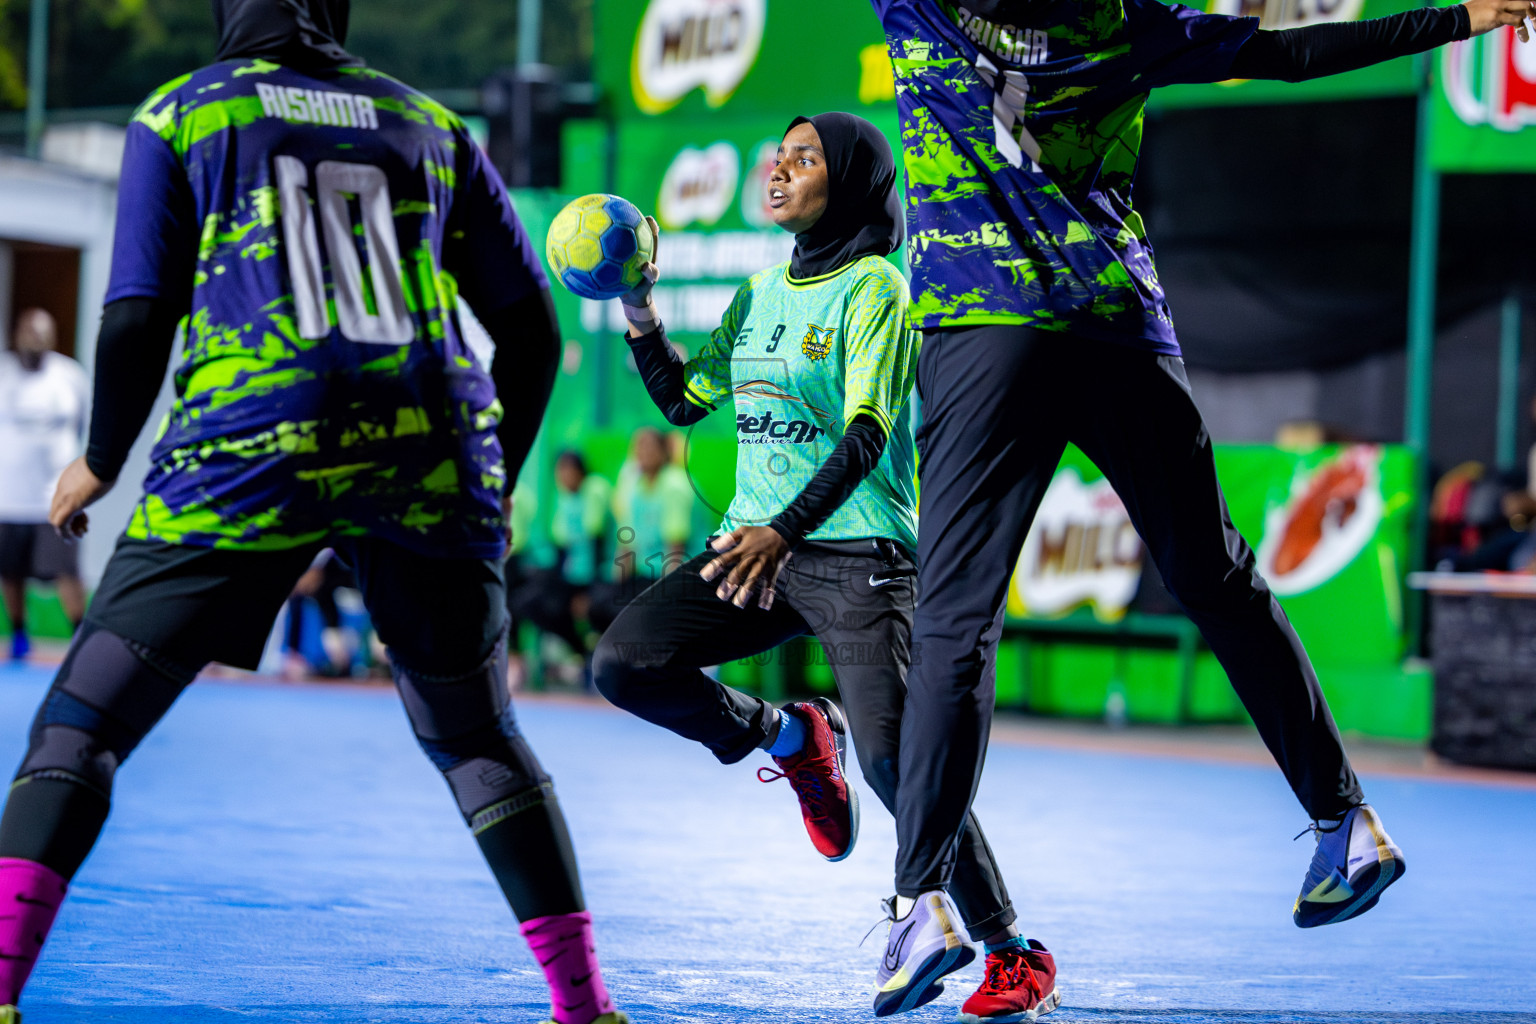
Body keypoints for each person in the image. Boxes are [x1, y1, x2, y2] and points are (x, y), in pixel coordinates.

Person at [861, 0, 1536, 1014]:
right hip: (1120, 329)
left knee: (957, 621)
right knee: (1219, 579)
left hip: (986, 331)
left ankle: (921, 904)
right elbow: (1296, 54)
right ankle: (1347, 823)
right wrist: (1465, 14)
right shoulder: (1127, 20)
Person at [0, 3, 627, 1023]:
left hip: (254, 442)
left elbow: (136, 313)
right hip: (434, 441)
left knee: (80, 725)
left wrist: (102, 457)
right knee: (476, 739)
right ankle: (588, 1006)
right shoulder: (430, 122)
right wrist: (492, 483)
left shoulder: (184, 114)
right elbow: (530, 330)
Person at [591, 111, 1036, 1021]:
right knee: (623, 664)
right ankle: (792, 738)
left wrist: (784, 532)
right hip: (760, 547)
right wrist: (638, 308)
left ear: (855, 182)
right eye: (779, 155)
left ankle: (1012, 953)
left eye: (806, 158)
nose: (781, 169)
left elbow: (869, 434)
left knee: (898, 760)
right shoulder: (757, 293)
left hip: (856, 550)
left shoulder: (877, 288)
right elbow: (682, 398)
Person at [0, 308, 90, 662]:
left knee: (66, 570)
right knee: (10, 571)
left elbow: (83, 423)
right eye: (29, 332)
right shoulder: (4, 373)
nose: (34, 339)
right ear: (17, 334)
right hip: (8, 496)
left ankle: (80, 635)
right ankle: (19, 634)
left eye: (42, 332)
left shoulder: (69, 376)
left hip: (55, 496)